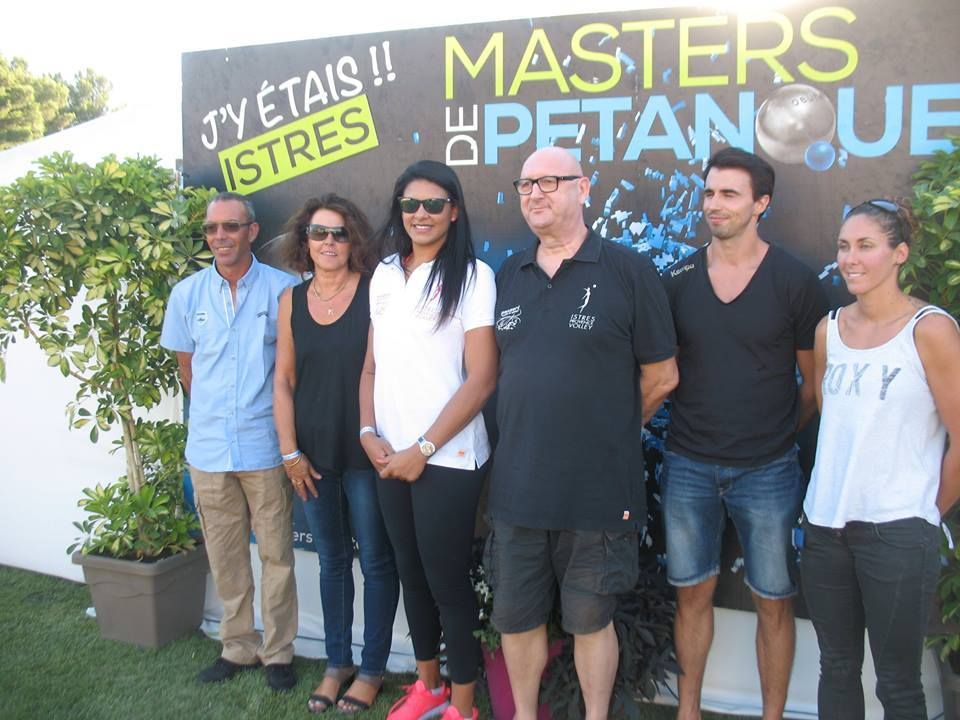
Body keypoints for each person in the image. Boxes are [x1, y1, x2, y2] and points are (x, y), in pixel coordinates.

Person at [488, 146, 679, 720]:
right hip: (518, 487)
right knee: (516, 618)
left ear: (584, 188)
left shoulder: (627, 271)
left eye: (550, 181)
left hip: (597, 490)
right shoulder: (509, 274)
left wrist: (609, 430)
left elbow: (662, 376)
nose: (535, 194)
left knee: (592, 620)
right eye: (526, 185)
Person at [660, 147, 828, 720]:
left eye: (729, 194)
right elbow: (661, 371)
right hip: (687, 465)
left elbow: (814, 386)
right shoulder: (677, 279)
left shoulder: (795, 282)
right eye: (708, 192)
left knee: (775, 602)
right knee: (691, 596)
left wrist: (774, 435)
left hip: (769, 471)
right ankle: (687, 711)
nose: (714, 204)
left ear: (762, 204)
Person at [801, 199, 960, 719]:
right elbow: (831, 420)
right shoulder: (828, 329)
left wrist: (924, 513)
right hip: (826, 527)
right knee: (836, 668)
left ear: (899, 254)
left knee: (898, 684)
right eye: (844, 246)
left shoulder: (930, 330)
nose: (850, 258)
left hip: (897, 531)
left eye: (866, 246)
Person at [359, 160, 497, 720]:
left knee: (446, 583)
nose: (421, 214)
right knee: (410, 575)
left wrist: (424, 450)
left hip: (449, 457)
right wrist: (367, 432)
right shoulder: (384, 274)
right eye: (410, 204)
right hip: (389, 456)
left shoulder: (474, 276)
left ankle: (463, 706)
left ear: (454, 211)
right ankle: (429, 686)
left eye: (434, 204)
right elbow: (371, 367)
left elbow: (482, 378)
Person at [160, 191, 299, 691]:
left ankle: (278, 653)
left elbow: (291, 372)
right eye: (212, 229)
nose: (220, 237)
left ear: (252, 231)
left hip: (264, 445)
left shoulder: (285, 291)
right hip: (209, 450)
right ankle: (238, 646)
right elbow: (188, 371)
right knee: (225, 556)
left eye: (231, 227)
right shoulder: (187, 295)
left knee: (277, 556)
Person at [273, 195, 400, 714]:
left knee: (376, 562)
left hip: (367, 453)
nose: (329, 242)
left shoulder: (376, 291)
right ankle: (337, 663)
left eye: (339, 233)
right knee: (330, 562)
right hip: (312, 458)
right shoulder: (291, 300)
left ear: (355, 241)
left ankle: (371, 669)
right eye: (319, 233)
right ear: (304, 240)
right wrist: (290, 453)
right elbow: (283, 381)